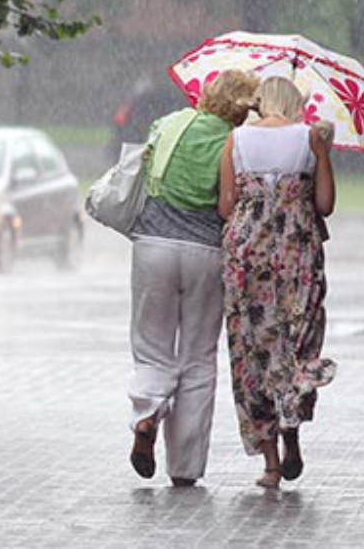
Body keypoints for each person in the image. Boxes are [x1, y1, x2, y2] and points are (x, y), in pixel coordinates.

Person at [127, 69, 258, 487]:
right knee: (199, 358)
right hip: (206, 253)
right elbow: (232, 202)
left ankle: (146, 413)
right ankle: (184, 468)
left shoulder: (167, 123)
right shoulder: (236, 143)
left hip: (152, 247)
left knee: (152, 348)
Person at [218, 76, 337, 490]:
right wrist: (316, 158)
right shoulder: (310, 138)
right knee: (299, 339)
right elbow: (325, 204)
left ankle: (270, 465)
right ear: (294, 103)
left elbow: (224, 205)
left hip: (246, 254)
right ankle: (291, 420)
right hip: (297, 249)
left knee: (252, 347)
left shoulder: (236, 139)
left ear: (261, 102)